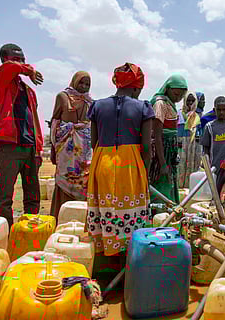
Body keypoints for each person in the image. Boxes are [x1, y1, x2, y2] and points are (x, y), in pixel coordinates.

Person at [86, 63, 154, 256]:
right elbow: (147, 147)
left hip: (103, 161)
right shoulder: (143, 107)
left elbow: (94, 141)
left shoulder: (97, 105)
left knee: (105, 207)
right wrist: (145, 171)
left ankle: (105, 254)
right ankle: (128, 257)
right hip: (130, 164)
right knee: (130, 211)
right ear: (136, 86)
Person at [0, 43, 44, 229]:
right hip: (9, 146)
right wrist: (29, 70)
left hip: (29, 147)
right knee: (4, 197)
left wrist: (38, 149)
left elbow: (34, 121)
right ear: (5, 59)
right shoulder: (0, 79)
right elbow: (10, 68)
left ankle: (30, 233)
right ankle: (5, 234)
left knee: (32, 196)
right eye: (16, 58)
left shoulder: (29, 91)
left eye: (23, 59)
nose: (21, 63)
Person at [49, 71, 93, 219]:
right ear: (74, 82)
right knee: (64, 179)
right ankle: (60, 216)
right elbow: (55, 123)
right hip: (66, 148)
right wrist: (53, 149)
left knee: (83, 181)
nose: (84, 86)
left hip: (84, 151)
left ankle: (78, 218)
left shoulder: (90, 102)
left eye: (87, 84)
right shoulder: (63, 97)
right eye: (81, 83)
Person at [149, 74, 188, 204]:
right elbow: (157, 135)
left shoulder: (170, 104)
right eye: (176, 94)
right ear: (168, 88)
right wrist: (162, 162)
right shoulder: (160, 103)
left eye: (181, 96)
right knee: (160, 184)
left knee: (169, 183)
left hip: (169, 152)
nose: (178, 98)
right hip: (161, 152)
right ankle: (158, 216)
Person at [201, 96, 225, 170]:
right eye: (219, 110)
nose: (221, 112)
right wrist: (206, 164)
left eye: (224, 109)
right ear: (214, 110)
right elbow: (206, 148)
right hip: (214, 167)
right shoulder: (209, 126)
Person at [177, 91, 202, 188]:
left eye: (193, 100)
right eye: (188, 100)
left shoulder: (197, 116)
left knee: (192, 166)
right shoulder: (179, 113)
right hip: (181, 143)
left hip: (193, 145)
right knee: (181, 166)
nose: (190, 103)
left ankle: (190, 188)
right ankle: (180, 187)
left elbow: (199, 131)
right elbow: (176, 129)